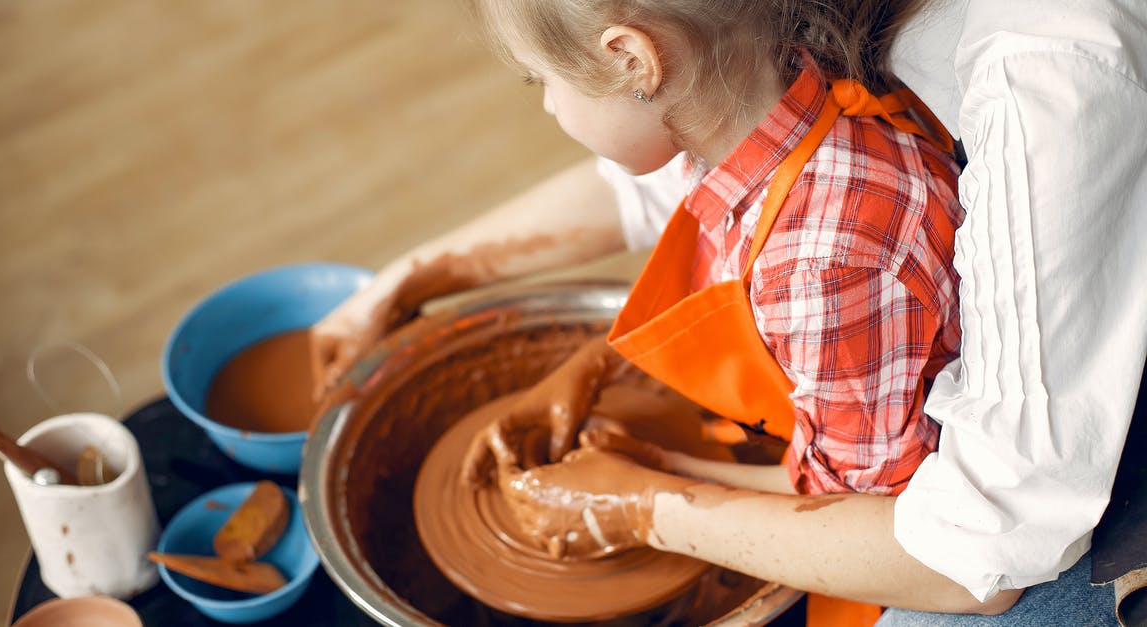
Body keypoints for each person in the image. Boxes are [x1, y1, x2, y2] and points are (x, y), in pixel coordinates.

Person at [311, 0, 1147, 623]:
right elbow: (663, 181)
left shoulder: (1046, 74)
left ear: (633, 58)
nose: (546, 106)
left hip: (1035, 467)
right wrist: (587, 356)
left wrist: (640, 499)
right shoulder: (763, 83)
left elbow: (952, 538)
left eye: (543, 82)